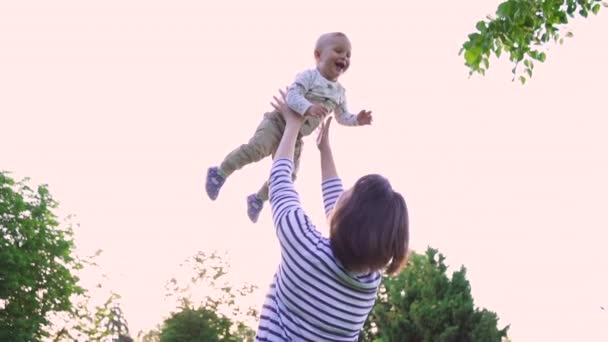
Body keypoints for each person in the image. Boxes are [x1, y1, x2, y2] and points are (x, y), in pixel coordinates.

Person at [254, 90, 408, 341]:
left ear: (349, 217)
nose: (343, 191)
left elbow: (280, 180)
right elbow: (342, 216)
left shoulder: (302, 245)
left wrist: (291, 126)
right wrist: (325, 150)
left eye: (350, 191)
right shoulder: (367, 286)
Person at [205, 32, 373, 223]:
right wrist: (308, 108)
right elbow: (292, 95)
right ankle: (219, 173)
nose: (344, 57)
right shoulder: (309, 76)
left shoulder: (340, 93)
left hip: (297, 135)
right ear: (318, 55)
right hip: (278, 122)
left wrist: (357, 119)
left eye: (348, 55)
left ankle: (257, 199)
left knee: (289, 175)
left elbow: (342, 116)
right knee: (258, 149)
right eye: (338, 51)